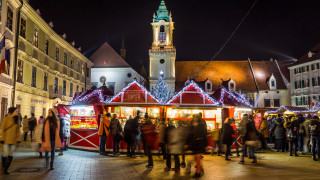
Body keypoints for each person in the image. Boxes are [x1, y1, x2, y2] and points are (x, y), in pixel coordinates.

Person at [0, 107, 21, 174]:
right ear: (12, 111)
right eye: (16, 111)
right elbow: (2, 129)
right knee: (5, 154)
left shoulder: (16, 119)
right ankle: (3, 167)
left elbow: (18, 130)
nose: (17, 112)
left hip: (13, 140)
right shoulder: (6, 119)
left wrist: (18, 139)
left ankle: (6, 169)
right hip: (6, 139)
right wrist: (2, 138)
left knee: (11, 154)